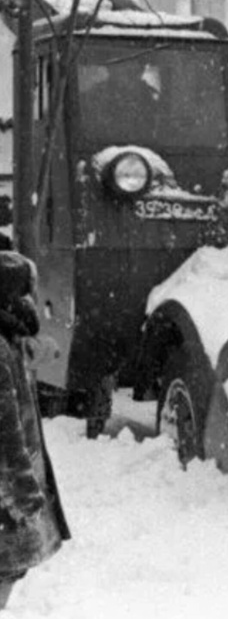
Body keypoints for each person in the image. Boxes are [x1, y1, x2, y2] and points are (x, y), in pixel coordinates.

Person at [0, 252, 70, 610]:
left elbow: (23, 349)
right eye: (28, 292)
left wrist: (43, 350)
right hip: (6, 493)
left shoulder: (8, 338)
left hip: (8, 492)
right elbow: (4, 437)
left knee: (10, 569)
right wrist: (24, 498)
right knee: (7, 568)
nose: (33, 301)